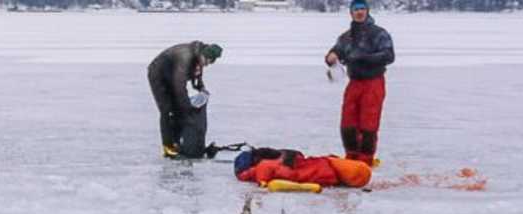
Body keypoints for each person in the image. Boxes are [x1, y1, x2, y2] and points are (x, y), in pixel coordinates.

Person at [325, 0, 394, 164]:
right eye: (356, 9)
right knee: (347, 122)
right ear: (351, 13)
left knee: (368, 122)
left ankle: (365, 159)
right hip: (354, 83)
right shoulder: (346, 36)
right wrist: (331, 56)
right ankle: (351, 156)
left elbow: (389, 56)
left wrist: (363, 58)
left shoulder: (379, 33)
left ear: (367, 11)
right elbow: (336, 51)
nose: (359, 12)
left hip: (373, 82)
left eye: (362, 9)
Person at [147, 41, 223, 159]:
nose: (207, 64)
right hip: (158, 74)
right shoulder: (185, 57)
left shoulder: (199, 55)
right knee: (166, 110)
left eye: (210, 62)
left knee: (178, 108)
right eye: (207, 61)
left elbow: (197, 75)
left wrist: (201, 88)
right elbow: (179, 86)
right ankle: (168, 147)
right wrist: (187, 108)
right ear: (203, 55)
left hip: (171, 74)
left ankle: (177, 142)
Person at [233, 146, 373, 191]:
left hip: (323, 173)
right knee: (359, 172)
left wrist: (262, 182)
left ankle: (355, 171)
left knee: (358, 173)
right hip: (324, 164)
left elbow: (263, 170)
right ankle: (355, 168)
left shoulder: (264, 165)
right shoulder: (285, 156)